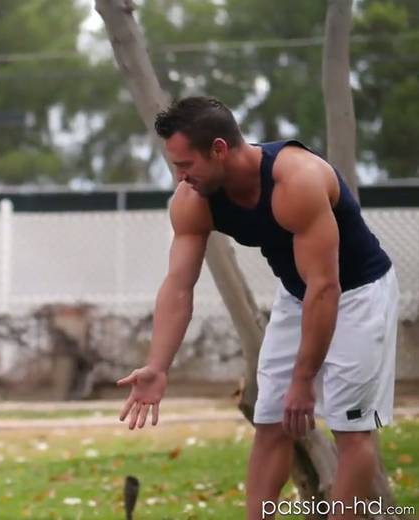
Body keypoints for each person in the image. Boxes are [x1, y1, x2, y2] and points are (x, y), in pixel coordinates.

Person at [117, 97, 398, 520]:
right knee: (271, 422)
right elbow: (178, 287)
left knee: (351, 430)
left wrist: (303, 379)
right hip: (298, 294)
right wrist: (158, 366)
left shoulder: (296, 180)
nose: (179, 176)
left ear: (219, 148)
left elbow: (326, 287)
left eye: (185, 164)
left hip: (358, 295)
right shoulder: (193, 199)